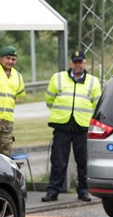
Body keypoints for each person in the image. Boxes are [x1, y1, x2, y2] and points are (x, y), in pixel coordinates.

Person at [42, 50, 102, 203]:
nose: (77, 65)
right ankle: (53, 191)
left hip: (82, 127)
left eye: (80, 62)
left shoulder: (93, 81)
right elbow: (49, 100)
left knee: (82, 161)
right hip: (62, 126)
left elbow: (97, 105)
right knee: (58, 161)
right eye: (75, 62)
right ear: (71, 63)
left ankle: (83, 190)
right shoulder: (58, 78)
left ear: (85, 62)